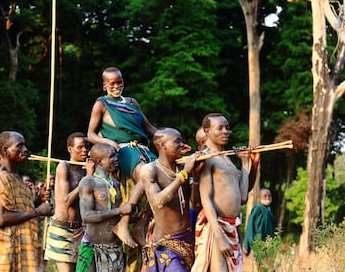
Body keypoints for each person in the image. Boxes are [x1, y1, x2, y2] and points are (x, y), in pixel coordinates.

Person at [87, 66, 157, 250]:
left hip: (144, 149)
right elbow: (91, 134)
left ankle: (141, 226)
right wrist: (108, 141)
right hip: (123, 149)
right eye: (112, 83)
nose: (117, 85)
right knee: (146, 174)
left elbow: (149, 128)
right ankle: (123, 224)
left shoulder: (132, 102)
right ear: (104, 85)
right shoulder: (101, 104)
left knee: (162, 177)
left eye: (120, 82)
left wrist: (169, 138)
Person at [192, 113, 260, 272]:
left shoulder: (227, 159)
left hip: (232, 226)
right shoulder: (206, 157)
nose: (225, 132)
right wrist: (220, 237)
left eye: (227, 128)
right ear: (207, 131)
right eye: (220, 128)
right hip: (216, 227)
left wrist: (246, 162)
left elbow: (243, 196)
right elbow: (205, 198)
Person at [0, 131, 52, 271]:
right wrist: (37, 211)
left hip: (24, 244)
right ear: (6, 151)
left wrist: (39, 199)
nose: (25, 150)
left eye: (24, 145)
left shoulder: (16, 177)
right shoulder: (3, 178)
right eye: (19, 146)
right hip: (10, 248)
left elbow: (22, 209)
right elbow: (3, 218)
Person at [140, 128, 200, 271]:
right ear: (162, 145)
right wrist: (184, 174)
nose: (182, 145)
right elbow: (158, 201)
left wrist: (196, 176)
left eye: (181, 141)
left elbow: (195, 203)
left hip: (187, 241)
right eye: (177, 141)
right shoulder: (150, 170)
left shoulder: (181, 168)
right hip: (166, 244)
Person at [76, 143, 133, 272]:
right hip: (93, 247)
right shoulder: (88, 182)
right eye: (112, 156)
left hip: (114, 247)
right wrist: (119, 210)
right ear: (100, 162)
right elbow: (87, 216)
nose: (116, 159)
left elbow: (117, 217)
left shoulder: (117, 184)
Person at [44, 132, 93, 272]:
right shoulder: (64, 166)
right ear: (70, 149)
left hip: (80, 230)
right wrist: (88, 178)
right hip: (62, 229)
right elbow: (66, 201)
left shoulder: (87, 169)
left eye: (86, 147)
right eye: (80, 147)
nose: (84, 151)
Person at [243, 188, 275, 256]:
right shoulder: (258, 208)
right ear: (259, 198)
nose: (267, 198)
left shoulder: (269, 212)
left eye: (269, 196)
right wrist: (250, 243)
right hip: (258, 243)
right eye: (265, 196)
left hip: (268, 244)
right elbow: (250, 226)